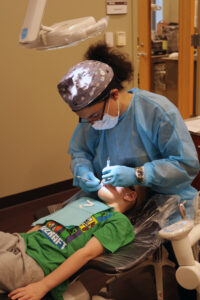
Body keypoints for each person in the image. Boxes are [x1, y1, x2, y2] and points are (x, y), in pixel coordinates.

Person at [57, 42, 199, 221]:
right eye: (85, 119)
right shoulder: (92, 119)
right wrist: (82, 170)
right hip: (109, 199)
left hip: (165, 198)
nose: (91, 123)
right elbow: (80, 151)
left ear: (114, 95)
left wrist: (137, 174)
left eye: (94, 116)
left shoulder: (156, 111)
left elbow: (186, 165)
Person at [0, 184, 142, 300]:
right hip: (20, 241)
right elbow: (45, 223)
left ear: (130, 195)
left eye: (117, 180)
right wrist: (20, 240)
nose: (109, 179)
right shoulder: (85, 202)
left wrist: (42, 286)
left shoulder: (119, 221)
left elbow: (86, 254)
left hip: (39, 262)